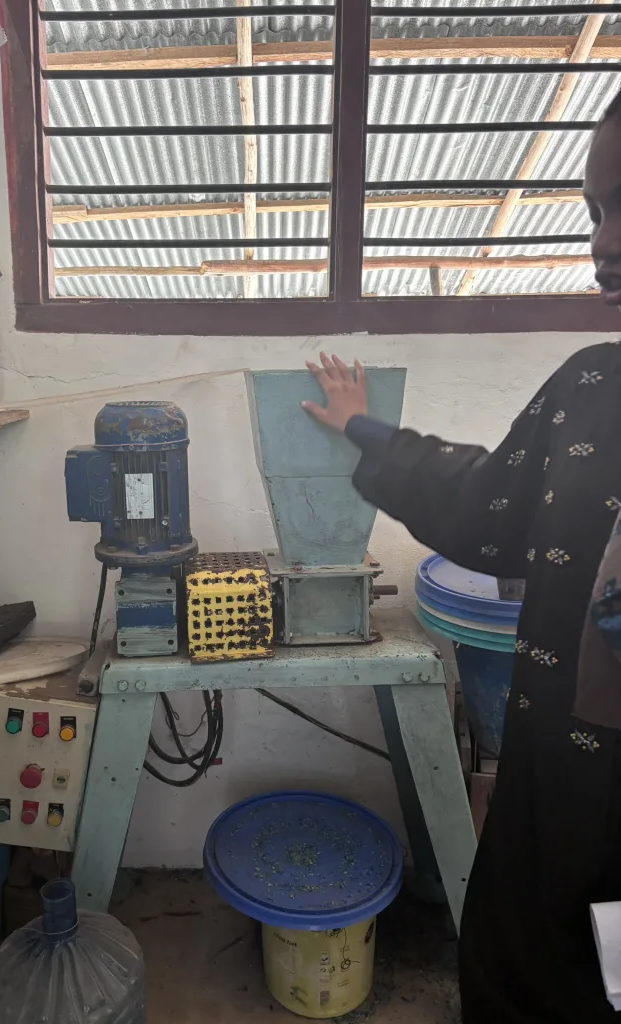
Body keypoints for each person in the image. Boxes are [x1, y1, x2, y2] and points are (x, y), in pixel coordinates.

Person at [301, 88, 621, 1024]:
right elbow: (491, 502)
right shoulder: (592, 390)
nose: (606, 240)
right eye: (598, 210)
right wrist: (365, 427)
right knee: (534, 968)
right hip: (558, 796)